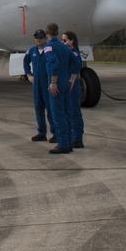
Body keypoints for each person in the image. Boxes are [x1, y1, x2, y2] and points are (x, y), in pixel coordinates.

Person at [41, 22, 73, 154]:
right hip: (66, 83)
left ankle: (63, 145)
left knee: (57, 114)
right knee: (66, 113)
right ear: (57, 32)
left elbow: (53, 64)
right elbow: (75, 62)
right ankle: (68, 142)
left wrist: (53, 82)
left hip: (57, 84)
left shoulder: (49, 47)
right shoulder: (64, 46)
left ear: (47, 34)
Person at [22, 29, 53, 142]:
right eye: (36, 38)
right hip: (37, 85)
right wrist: (29, 75)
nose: (38, 40)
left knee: (51, 110)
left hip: (48, 83)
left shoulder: (49, 49)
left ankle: (56, 133)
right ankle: (41, 133)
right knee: (39, 109)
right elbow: (25, 62)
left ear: (45, 38)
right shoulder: (31, 50)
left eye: (40, 38)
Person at [62, 30, 85, 149]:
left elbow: (75, 71)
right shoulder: (68, 52)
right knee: (68, 113)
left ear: (72, 41)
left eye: (65, 40)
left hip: (73, 86)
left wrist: (70, 85)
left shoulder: (74, 53)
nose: (63, 42)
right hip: (68, 85)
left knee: (74, 113)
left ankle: (77, 139)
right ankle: (72, 137)